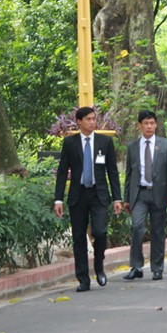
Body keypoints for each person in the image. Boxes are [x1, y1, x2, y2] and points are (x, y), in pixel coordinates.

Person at [54, 106, 122, 292]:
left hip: (98, 194)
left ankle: (99, 265)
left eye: (94, 118)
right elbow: (62, 173)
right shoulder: (70, 143)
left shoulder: (105, 142)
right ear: (79, 122)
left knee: (100, 232)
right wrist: (58, 199)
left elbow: (112, 172)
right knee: (78, 238)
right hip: (78, 195)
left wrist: (117, 198)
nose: (93, 122)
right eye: (89, 119)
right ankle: (83, 278)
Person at [123, 110, 167, 281]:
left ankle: (157, 268)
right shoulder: (132, 146)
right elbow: (129, 174)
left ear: (156, 124)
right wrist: (127, 198)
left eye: (152, 123)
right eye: (145, 123)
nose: (149, 126)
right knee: (137, 228)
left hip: (159, 193)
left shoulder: (165, 144)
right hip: (139, 194)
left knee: (157, 232)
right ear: (139, 125)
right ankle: (136, 266)